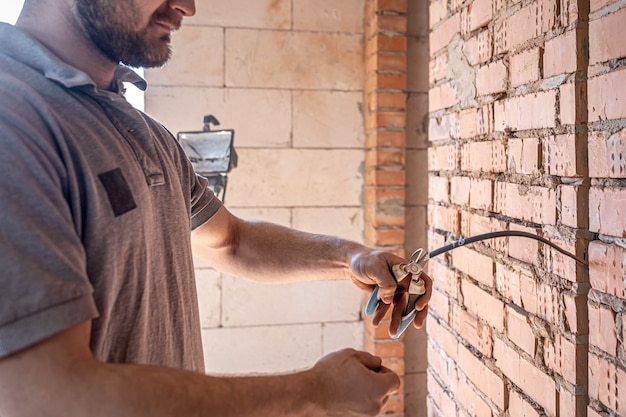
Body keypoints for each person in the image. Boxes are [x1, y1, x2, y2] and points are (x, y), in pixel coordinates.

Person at [0, 0, 433, 415]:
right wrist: (316, 392)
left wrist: (353, 258)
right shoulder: (14, 119)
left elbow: (231, 242)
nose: (188, 6)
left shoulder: (148, 134)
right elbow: (48, 401)